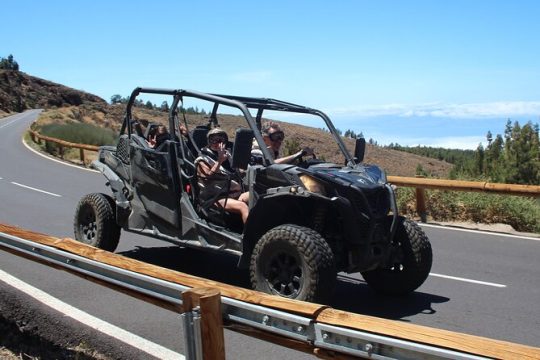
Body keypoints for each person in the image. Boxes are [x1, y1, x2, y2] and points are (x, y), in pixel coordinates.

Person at [195, 128, 249, 223]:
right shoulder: (202, 159)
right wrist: (219, 161)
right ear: (209, 142)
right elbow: (206, 179)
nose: (218, 143)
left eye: (221, 140)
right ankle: (250, 237)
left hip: (234, 193)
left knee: (256, 196)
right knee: (243, 207)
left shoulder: (228, 156)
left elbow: (240, 172)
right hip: (216, 198)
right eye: (214, 140)